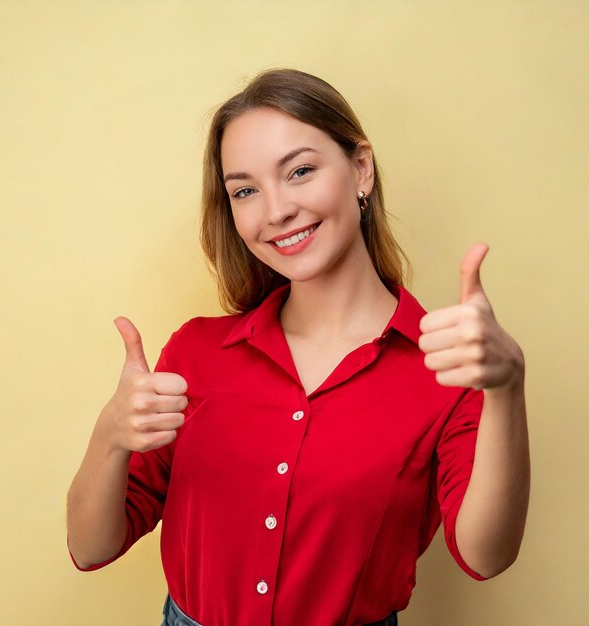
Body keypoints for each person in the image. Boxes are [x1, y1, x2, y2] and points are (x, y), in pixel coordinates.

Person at [66, 68, 530, 626]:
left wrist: (507, 388)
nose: (276, 211)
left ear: (361, 168)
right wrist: (110, 434)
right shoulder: (195, 352)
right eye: (245, 191)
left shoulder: (448, 366)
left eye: (300, 171)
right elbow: (90, 549)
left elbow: (486, 556)